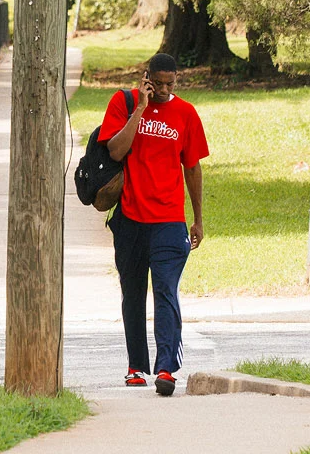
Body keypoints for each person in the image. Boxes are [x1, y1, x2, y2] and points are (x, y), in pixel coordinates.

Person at [99, 51, 208, 396]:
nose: (162, 89)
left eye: (169, 84)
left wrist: (199, 218)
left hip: (169, 220)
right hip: (130, 219)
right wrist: (140, 110)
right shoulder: (123, 102)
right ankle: (135, 367)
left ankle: (166, 369)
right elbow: (115, 151)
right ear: (146, 77)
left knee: (165, 291)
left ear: (176, 81)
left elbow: (192, 167)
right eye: (157, 83)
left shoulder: (187, 114)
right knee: (133, 294)